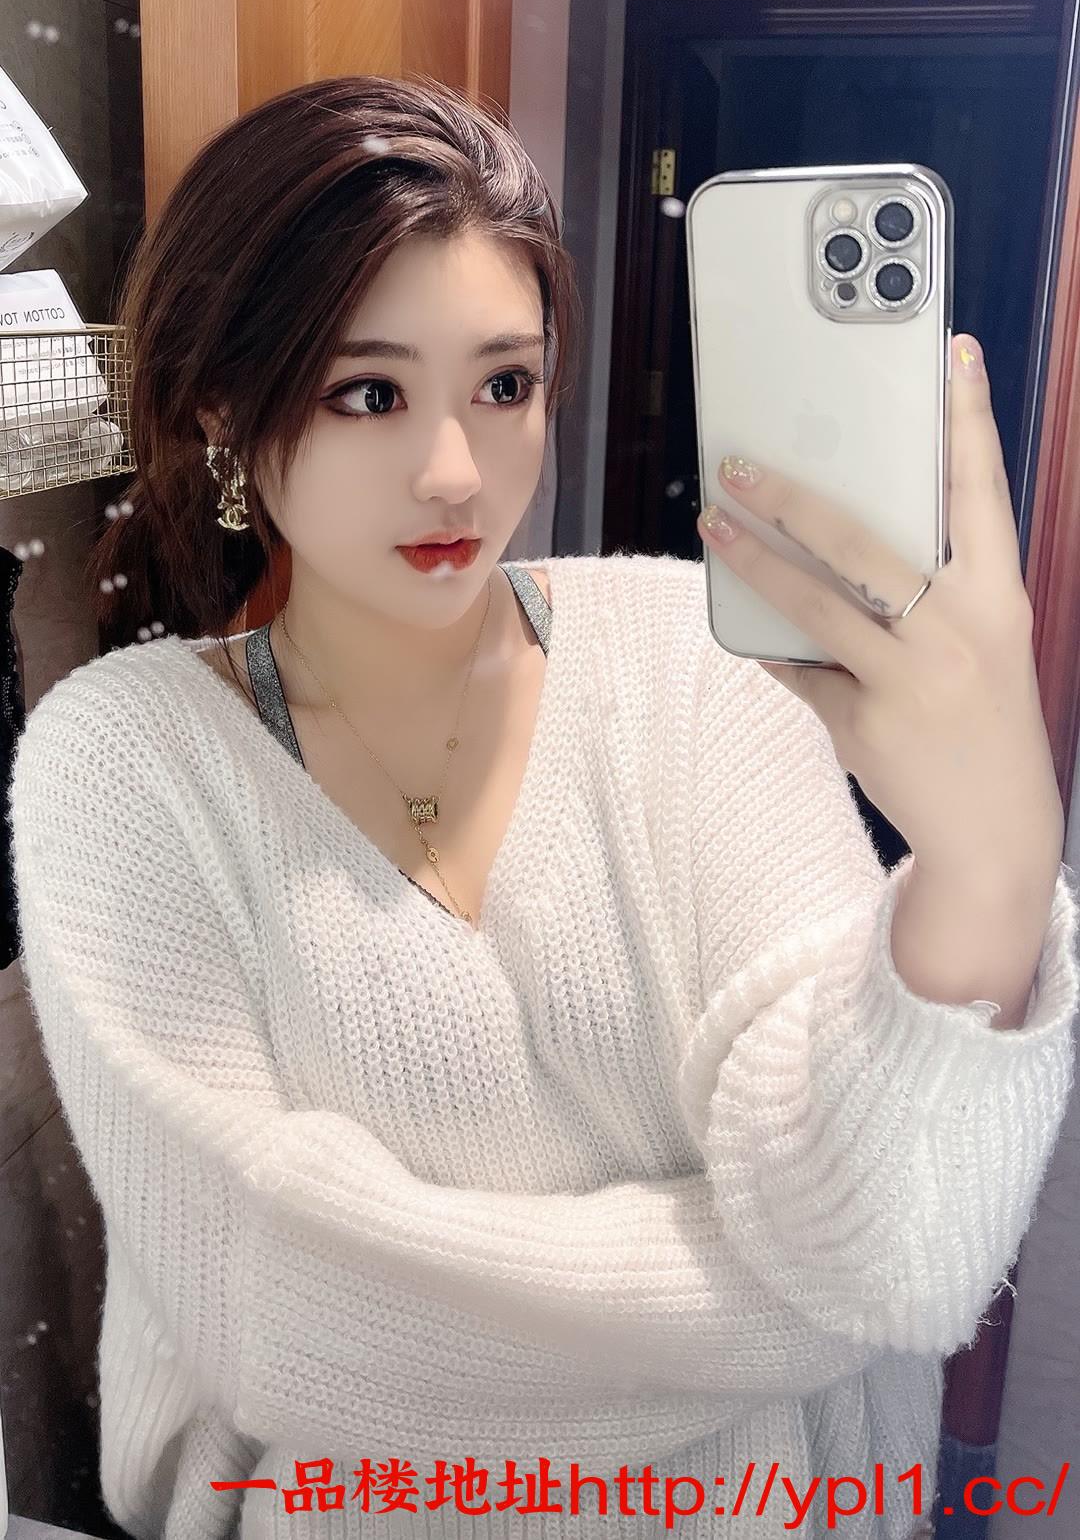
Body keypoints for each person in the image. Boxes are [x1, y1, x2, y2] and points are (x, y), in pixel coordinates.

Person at [7, 74, 1080, 1540]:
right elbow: (276, 1304)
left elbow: (890, 1238)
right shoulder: (125, 761)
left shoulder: (692, 662)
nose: (456, 471)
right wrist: (799, 1298)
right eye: (368, 392)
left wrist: (990, 872)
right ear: (221, 409)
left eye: (504, 385)